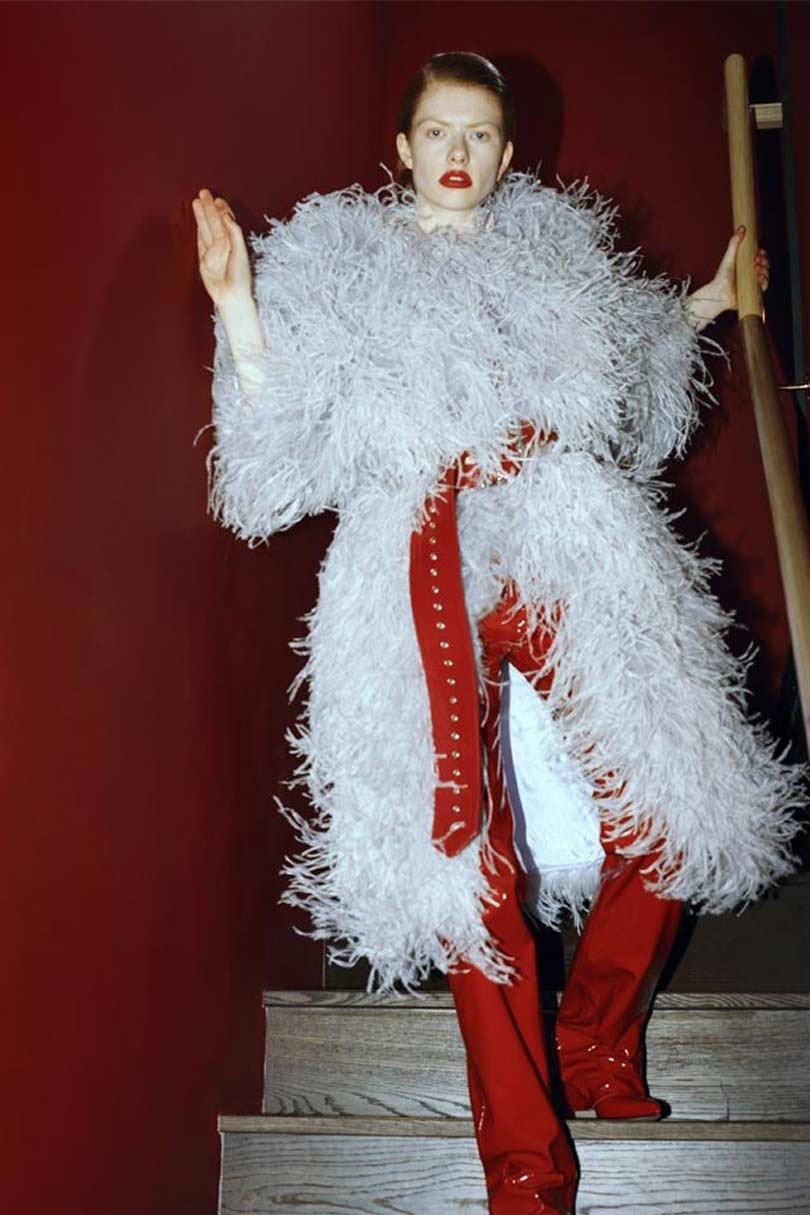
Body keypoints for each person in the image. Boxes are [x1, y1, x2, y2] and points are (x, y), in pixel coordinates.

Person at [193, 51, 804, 1215]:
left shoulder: (557, 257)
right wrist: (236, 304)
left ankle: (598, 1042)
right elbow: (279, 452)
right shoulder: (341, 269)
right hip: (411, 555)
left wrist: (712, 302)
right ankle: (525, 1166)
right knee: (463, 862)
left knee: (675, 797)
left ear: (508, 155)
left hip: (562, 535)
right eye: (438, 131)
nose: (458, 154)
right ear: (403, 147)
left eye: (479, 135)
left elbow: (634, 358)